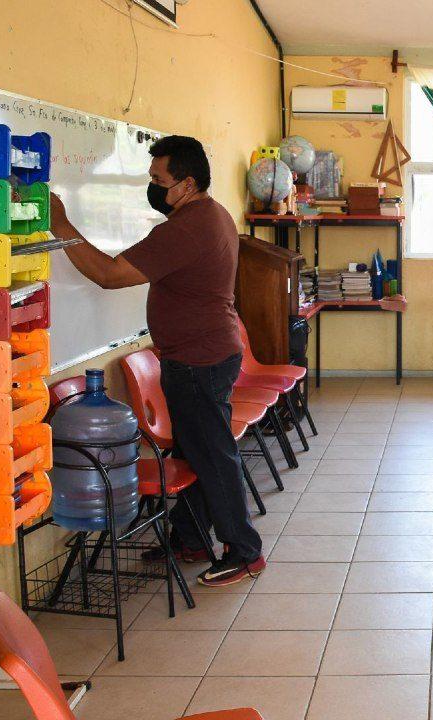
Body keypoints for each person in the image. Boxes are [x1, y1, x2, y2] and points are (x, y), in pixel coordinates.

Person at [47, 135, 266, 587]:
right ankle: (188, 537)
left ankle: (244, 551)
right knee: (193, 450)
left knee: (213, 455)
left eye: (158, 181)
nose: (152, 189)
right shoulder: (213, 214)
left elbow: (109, 276)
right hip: (205, 353)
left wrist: (60, 223)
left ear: (186, 184)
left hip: (199, 360)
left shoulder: (186, 228)